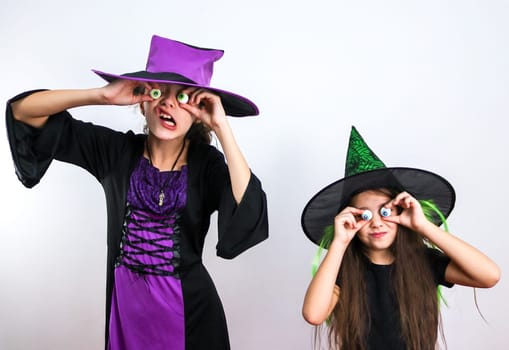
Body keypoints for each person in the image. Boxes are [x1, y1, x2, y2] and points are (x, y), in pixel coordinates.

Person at [6, 34, 268, 350]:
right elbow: (23, 112)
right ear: (143, 102)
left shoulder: (207, 165)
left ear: (198, 112)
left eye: (183, 98)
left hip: (192, 319)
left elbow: (247, 208)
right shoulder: (115, 152)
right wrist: (101, 95)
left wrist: (222, 127)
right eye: (158, 92)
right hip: (127, 316)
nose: (168, 103)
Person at [301, 126, 500, 350]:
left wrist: (423, 226)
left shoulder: (423, 260)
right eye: (364, 215)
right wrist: (339, 243)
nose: (376, 222)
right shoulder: (344, 268)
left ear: (401, 210)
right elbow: (313, 314)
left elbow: (489, 276)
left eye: (385, 211)